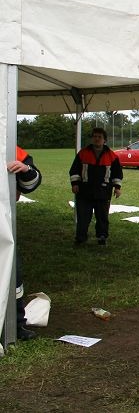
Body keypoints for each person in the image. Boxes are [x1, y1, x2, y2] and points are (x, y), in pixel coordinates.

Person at [7, 146, 42, 341]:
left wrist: (25, 170)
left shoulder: (12, 148)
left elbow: (32, 183)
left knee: (14, 273)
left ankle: (16, 324)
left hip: (4, 223)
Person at [69, 128, 123, 246]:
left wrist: (117, 187)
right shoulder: (83, 153)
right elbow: (74, 170)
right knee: (83, 217)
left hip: (103, 192)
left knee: (102, 217)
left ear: (104, 140)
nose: (97, 139)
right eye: (94, 136)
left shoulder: (112, 156)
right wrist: (75, 184)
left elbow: (117, 174)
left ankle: (102, 237)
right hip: (84, 191)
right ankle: (80, 238)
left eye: (99, 137)